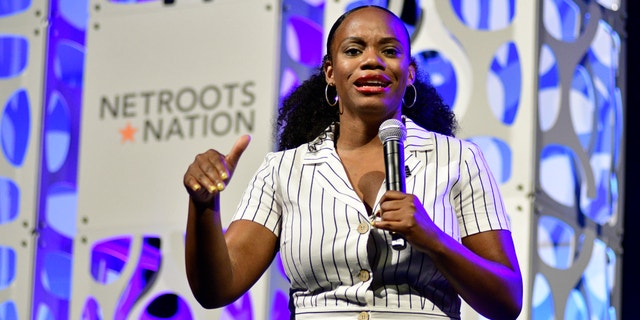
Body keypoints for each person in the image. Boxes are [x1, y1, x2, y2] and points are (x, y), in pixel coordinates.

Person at [184, 5, 523, 320]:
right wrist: (203, 205)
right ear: (330, 73)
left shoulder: (458, 159)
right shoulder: (283, 170)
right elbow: (217, 289)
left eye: (389, 51)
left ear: (410, 75)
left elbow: (507, 299)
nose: (372, 60)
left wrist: (433, 238)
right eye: (353, 50)